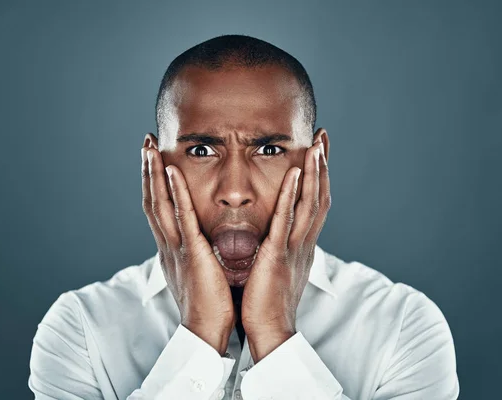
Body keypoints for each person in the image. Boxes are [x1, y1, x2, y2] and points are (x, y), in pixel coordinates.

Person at [28, 34, 460, 400]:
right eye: (201, 151)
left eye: (269, 150)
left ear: (318, 159)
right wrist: (199, 334)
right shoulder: (80, 331)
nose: (235, 191)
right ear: (153, 165)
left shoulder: (404, 328)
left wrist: (274, 334)